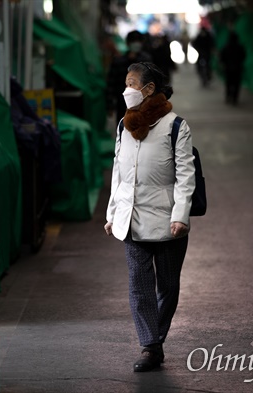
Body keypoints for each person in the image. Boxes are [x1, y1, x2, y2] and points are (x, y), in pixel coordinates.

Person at [104, 62, 196, 372]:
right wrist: (113, 213)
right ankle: (150, 345)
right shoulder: (123, 126)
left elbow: (186, 174)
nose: (126, 90)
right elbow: (119, 172)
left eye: (132, 83)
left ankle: (154, 339)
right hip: (131, 218)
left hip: (168, 221)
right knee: (138, 284)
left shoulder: (175, 126)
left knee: (168, 284)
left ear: (149, 89)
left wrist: (180, 215)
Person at [107, 31, 152, 123]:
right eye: (133, 41)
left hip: (142, 103)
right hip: (123, 103)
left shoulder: (146, 61)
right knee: (123, 128)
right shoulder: (118, 62)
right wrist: (110, 104)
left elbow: (152, 81)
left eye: (138, 41)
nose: (136, 44)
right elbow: (111, 83)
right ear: (128, 43)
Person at [219, 31, 246, 105]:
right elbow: (243, 56)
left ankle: (228, 96)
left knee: (228, 83)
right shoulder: (240, 47)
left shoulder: (226, 46)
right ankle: (235, 98)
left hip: (228, 68)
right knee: (236, 83)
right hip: (238, 68)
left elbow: (222, 57)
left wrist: (223, 63)